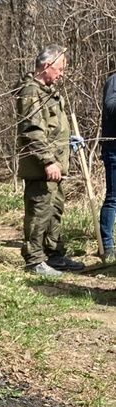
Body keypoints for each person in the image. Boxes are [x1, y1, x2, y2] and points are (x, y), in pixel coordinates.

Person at [15, 44, 85, 277]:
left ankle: (53, 254)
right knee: (39, 212)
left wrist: (68, 141)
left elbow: (52, 128)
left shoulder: (49, 92)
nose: (62, 74)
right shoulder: (31, 92)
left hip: (56, 166)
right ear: (46, 66)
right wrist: (47, 161)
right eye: (60, 68)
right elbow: (32, 130)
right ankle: (34, 260)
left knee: (54, 211)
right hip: (41, 168)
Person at [99, 70, 116, 263]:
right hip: (113, 149)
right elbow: (110, 106)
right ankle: (107, 245)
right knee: (113, 198)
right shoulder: (113, 81)